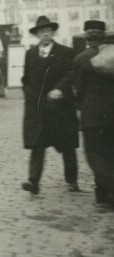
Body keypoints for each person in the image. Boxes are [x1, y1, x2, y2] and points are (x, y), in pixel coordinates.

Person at [21, 16, 79, 195]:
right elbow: (27, 78)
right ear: (37, 34)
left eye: (48, 31)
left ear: (53, 32)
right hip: (39, 109)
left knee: (67, 145)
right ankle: (34, 182)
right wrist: (29, 94)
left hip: (60, 108)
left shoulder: (65, 52)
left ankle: (72, 181)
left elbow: (70, 74)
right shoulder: (30, 54)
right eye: (41, 32)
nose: (45, 34)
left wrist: (60, 90)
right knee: (38, 144)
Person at [73, 20, 114, 210]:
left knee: (95, 155)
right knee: (110, 152)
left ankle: (108, 191)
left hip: (93, 115)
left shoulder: (81, 58)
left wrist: (80, 108)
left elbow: (79, 91)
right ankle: (103, 196)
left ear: (87, 36)